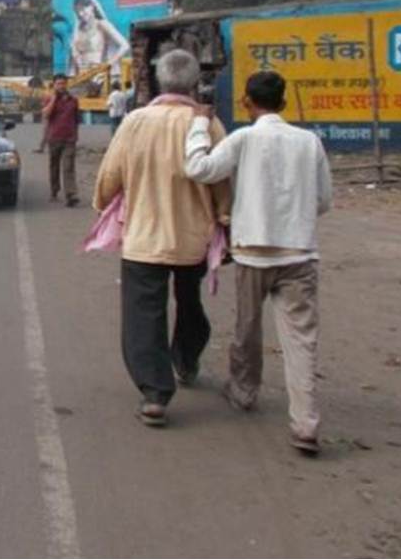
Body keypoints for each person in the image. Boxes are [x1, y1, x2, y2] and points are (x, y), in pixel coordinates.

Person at [183, 70, 333, 456]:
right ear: (283, 102)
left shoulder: (244, 139)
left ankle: (244, 390)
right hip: (299, 253)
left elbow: (199, 169)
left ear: (247, 102)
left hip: (253, 253)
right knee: (301, 340)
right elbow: (323, 200)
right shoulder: (309, 142)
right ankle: (306, 423)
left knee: (247, 329)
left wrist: (199, 125)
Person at [93, 49, 231, 427]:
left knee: (143, 315)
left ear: (158, 80)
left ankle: (155, 393)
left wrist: (102, 202)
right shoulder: (208, 124)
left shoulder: (135, 121)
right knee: (190, 302)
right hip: (193, 237)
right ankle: (185, 360)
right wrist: (225, 217)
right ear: (192, 83)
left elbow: (110, 177)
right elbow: (223, 179)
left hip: (144, 237)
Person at [68, 0, 130, 77]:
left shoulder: (102, 24)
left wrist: (108, 64)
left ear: (92, 6)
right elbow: (74, 55)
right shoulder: (77, 31)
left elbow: (125, 45)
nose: (80, 14)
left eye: (83, 9)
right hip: (82, 76)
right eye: (77, 11)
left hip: (100, 75)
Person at [43, 74, 81, 206]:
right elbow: (46, 115)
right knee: (54, 166)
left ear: (67, 85)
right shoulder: (49, 98)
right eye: (58, 84)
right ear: (54, 85)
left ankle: (70, 194)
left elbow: (76, 119)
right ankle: (54, 190)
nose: (61, 86)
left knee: (68, 166)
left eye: (63, 83)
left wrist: (75, 135)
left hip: (69, 139)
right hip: (54, 138)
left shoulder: (73, 100)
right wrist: (54, 99)